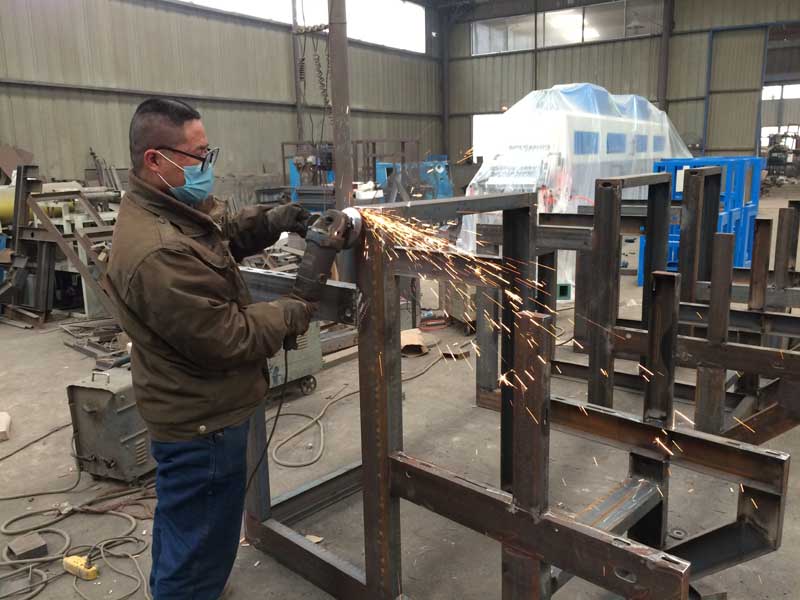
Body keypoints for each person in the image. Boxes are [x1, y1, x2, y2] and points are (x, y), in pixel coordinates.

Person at [106, 98, 314, 600]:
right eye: (199, 156)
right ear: (156, 159)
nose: (207, 165)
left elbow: (219, 233)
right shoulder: (158, 251)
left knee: (185, 526)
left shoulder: (170, 207)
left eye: (208, 152)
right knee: (201, 545)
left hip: (193, 406)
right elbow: (228, 337)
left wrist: (276, 220)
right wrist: (294, 309)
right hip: (202, 422)